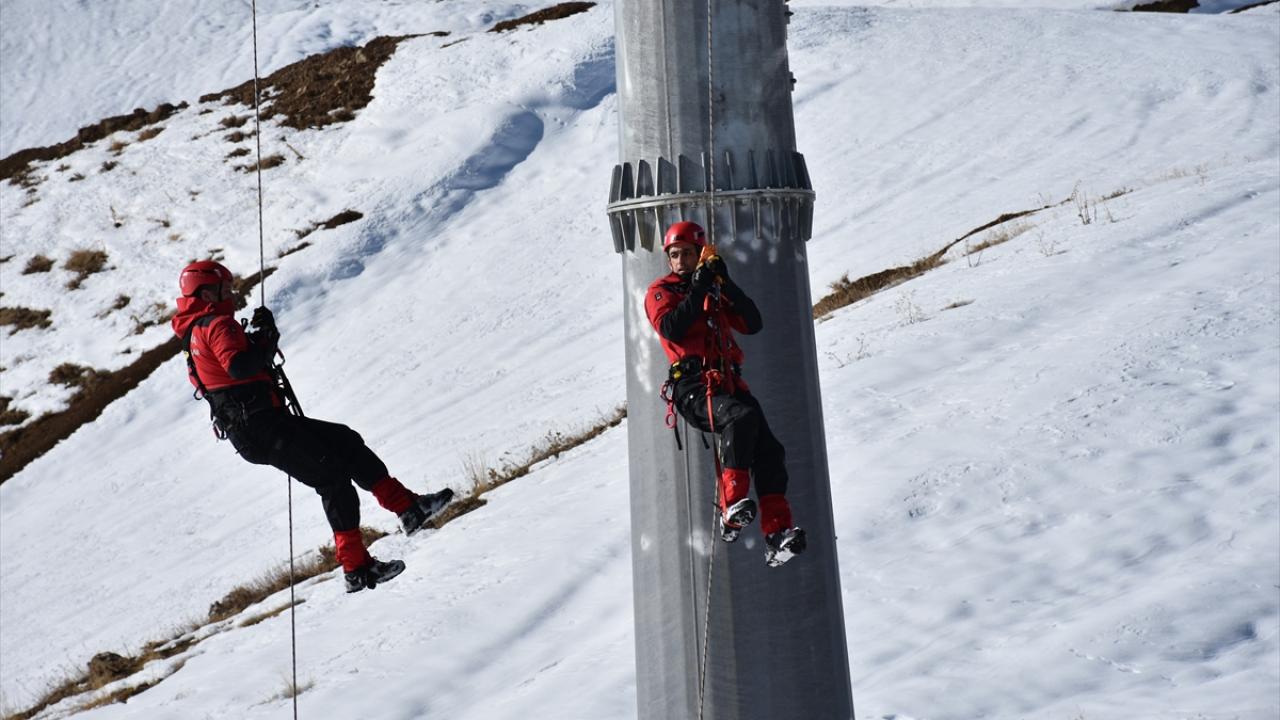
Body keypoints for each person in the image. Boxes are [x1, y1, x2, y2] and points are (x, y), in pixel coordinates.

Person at [171, 260, 453, 593]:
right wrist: (266, 341)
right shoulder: (218, 324)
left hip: (256, 429)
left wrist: (261, 341)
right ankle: (357, 568)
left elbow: (233, 369)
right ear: (207, 293)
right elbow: (239, 367)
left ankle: (408, 508)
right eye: (225, 289)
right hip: (263, 427)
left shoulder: (194, 334)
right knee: (333, 479)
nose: (232, 294)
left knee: (344, 441)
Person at [644, 221, 807, 567]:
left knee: (770, 451)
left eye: (688, 254)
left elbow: (753, 322)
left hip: (727, 382)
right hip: (693, 386)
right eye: (675, 255)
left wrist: (725, 282)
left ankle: (776, 533)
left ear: (699, 254)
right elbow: (672, 327)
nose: (681, 261)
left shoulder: (713, 290)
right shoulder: (661, 292)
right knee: (740, 418)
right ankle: (731, 507)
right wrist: (700, 286)